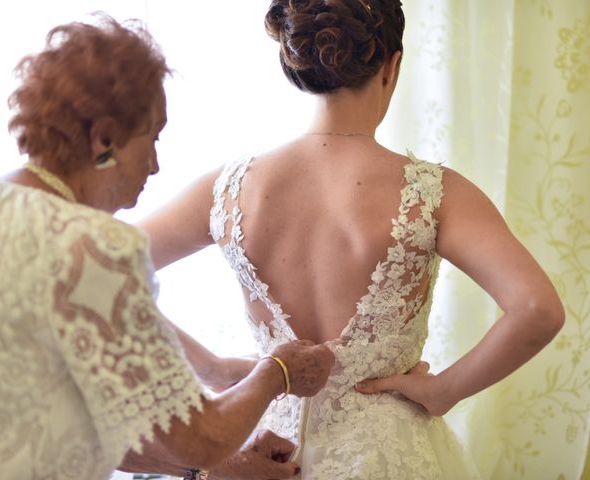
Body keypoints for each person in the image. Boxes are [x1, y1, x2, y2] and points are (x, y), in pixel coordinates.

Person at [139, 0, 565, 478]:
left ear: (295, 65)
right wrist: (445, 390)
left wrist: (213, 369)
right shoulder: (433, 192)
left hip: (266, 452)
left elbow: (97, 273)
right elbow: (537, 310)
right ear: (392, 65)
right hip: (389, 455)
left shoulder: (228, 188)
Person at [0, 15, 336, 480]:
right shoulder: (95, 246)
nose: (155, 165)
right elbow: (200, 439)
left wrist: (214, 368)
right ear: (105, 139)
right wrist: (277, 373)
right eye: (151, 138)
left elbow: (89, 334)